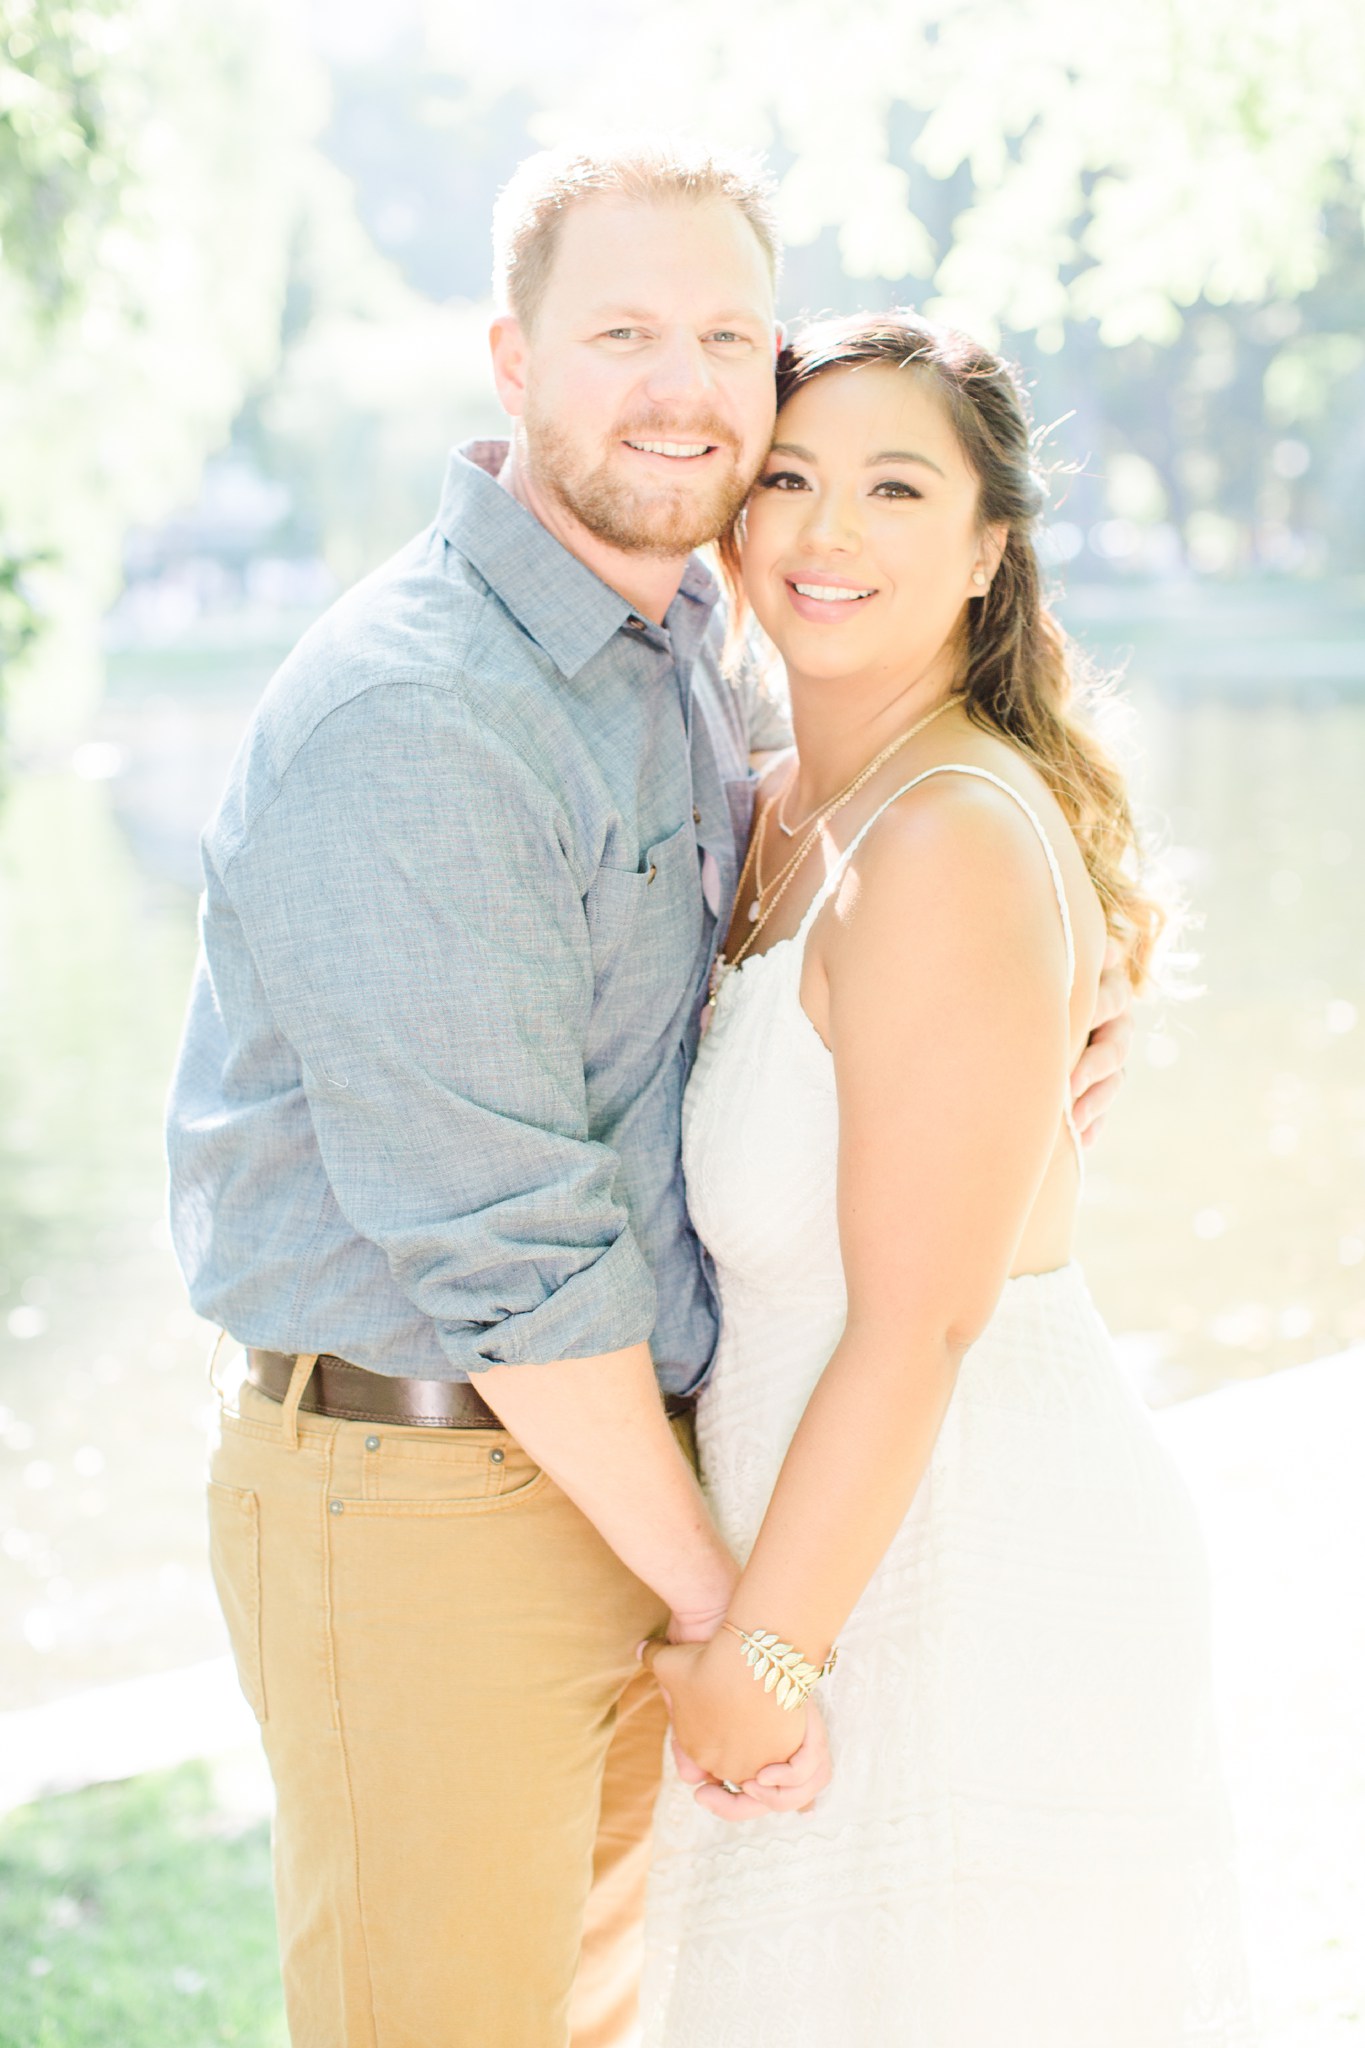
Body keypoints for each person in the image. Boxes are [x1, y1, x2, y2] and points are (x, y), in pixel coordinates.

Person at [166, 142, 1131, 2047]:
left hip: (631, 1475)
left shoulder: (677, 653)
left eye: (726, 336)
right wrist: (735, 1627)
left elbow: (850, 914)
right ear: (510, 358)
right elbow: (508, 1248)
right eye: (621, 331)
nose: (683, 386)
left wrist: (1051, 1000)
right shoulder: (418, 713)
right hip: (430, 1496)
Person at [638, 312, 1252, 2046]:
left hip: (975, 1574)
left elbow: (917, 1326)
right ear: (733, 524)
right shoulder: (762, 811)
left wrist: (763, 1665)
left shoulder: (946, 839)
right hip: (825, 1564)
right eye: (787, 481)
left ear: (989, 549)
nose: (827, 534)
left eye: (894, 488)